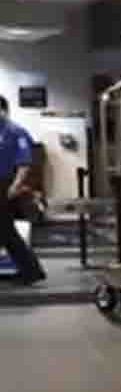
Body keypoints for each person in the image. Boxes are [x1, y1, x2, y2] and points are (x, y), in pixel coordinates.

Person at [0, 94, 46, 284]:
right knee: (5, 231)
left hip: (6, 183)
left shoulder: (15, 131)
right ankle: (31, 271)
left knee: (5, 230)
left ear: (3, 110)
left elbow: (24, 163)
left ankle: (32, 271)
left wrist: (16, 186)